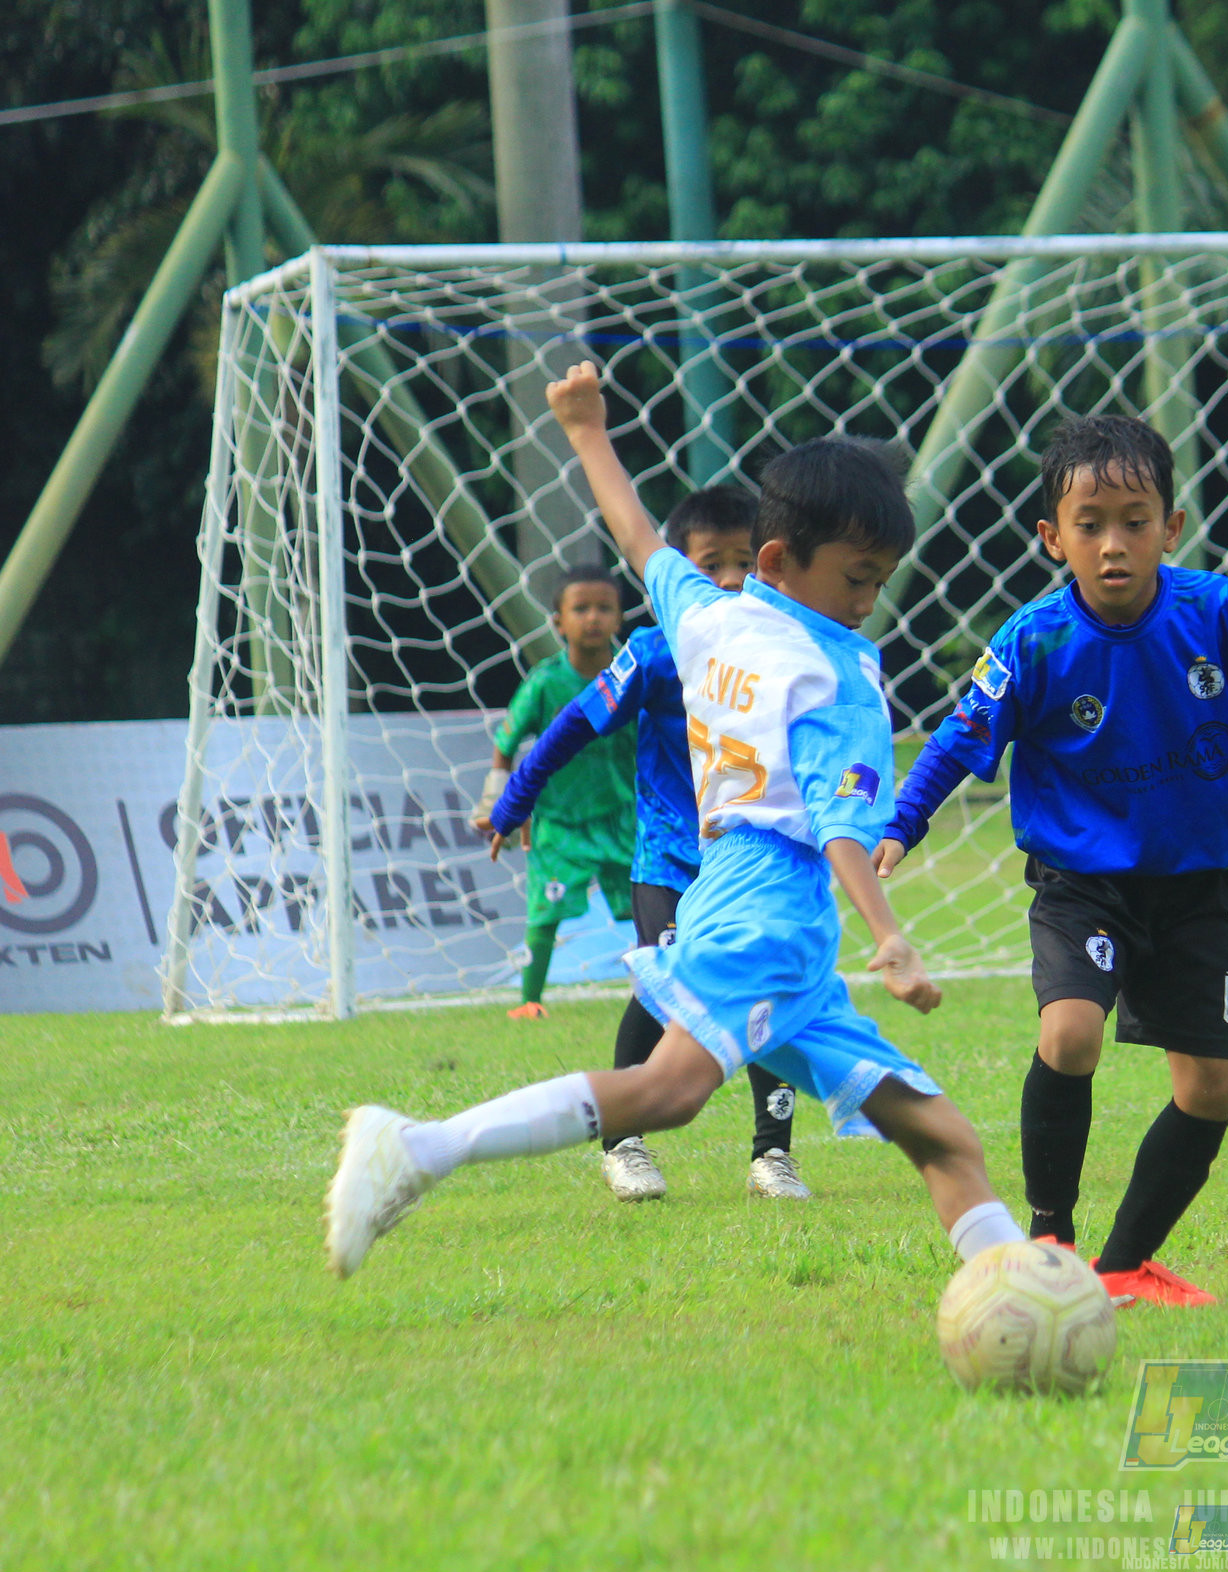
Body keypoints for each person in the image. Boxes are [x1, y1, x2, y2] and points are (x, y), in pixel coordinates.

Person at [322, 361, 1022, 1280]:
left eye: (879, 581)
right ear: (780, 562)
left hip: (759, 907)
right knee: (669, 1089)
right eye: (857, 578)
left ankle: (1024, 1291)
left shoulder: (707, 619)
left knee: (943, 1137)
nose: (866, 602)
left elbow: (641, 536)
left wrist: (584, 431)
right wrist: (889, 935)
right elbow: (838, 819)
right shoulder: (834, 674)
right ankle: (417, 1146)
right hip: (769, 898)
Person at [877, 414, 1228, 1307]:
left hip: (1197, 886)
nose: (1113, 544)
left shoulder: (1220, 611)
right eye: (1089, 525)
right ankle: (1049, 1239)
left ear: (1171, 525)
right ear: (1053, 537)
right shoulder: (1032, 640)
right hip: (1082, 884)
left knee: (1212, 1088)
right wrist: (901, 823)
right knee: (1069, 1034)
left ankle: (1123, 1263)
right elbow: (959, 741)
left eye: (1134, 519)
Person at [484, 487, 817, 1205]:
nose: (728, 579)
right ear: (673, 571)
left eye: (742, 562)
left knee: (764, 991)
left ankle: (773, 1156)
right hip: (668, 856)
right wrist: (514, 801)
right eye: (709, 563)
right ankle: (622, 1141)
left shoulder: (782, 649)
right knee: (666, 988)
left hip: (750, 862)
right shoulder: (656, 654)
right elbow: (571, 725)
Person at [474, 565, 637, 1020]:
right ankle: (530, 1001)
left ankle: (669, 993)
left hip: (624, 816)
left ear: (620, 618)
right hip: (558, 823)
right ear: (557, 622)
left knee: (652, 905)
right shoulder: (545, 683)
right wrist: (498, 804)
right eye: (580, 608)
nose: (593, 618)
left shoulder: (635, 678)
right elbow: (505, 746)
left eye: (604, 608)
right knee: (543, 916)